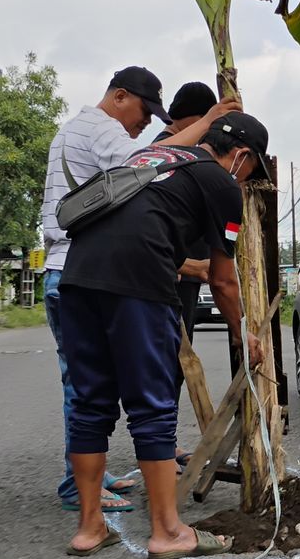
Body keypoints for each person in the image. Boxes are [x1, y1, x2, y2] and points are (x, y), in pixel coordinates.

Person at [58, 112, 269, 559]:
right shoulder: (222, 183)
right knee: (152, 406)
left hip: (76, 279)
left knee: (89, 404)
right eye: (252, 173)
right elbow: (223, 279)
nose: (248, 183)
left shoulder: (153, 155)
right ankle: (167, 531)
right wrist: (242, 333)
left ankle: (90, 527)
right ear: (242, 156)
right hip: (137, 287)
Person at [40, 67, 238, 513]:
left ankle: (92, 478)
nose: (145, 123)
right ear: (119, 97)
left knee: (92, 388)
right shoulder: (100, 128)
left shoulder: (79, 129)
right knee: (92, 390)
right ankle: (79, 485)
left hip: (75, 270)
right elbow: (146, 159)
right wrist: (205, 124)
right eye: (144, 112)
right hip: (80, 269)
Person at [153, 82, 217, 467]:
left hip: (190, 275)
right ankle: (158, 445)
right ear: (193, 118)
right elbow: (150, 225)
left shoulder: (189, 147)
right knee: (163, 363)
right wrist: (185, 265)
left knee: (176, 363)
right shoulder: (161, 151)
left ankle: (166, 442)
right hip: (170, 274)